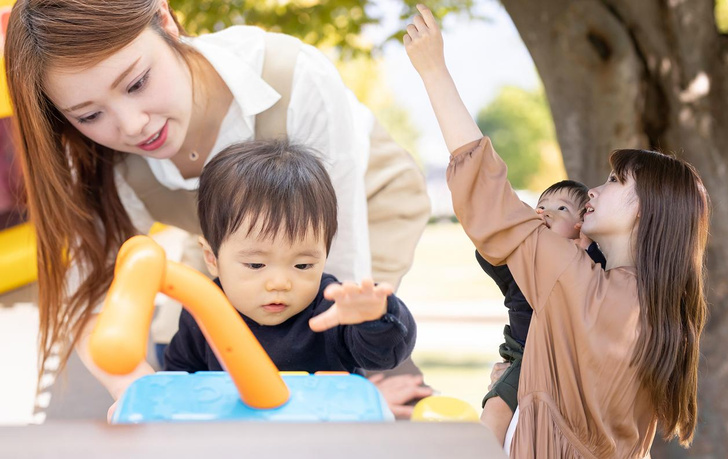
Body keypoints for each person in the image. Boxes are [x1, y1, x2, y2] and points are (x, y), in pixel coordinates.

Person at [4, 0, 430, 414]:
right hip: (229, 234)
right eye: (90, 115)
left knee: (332, 336)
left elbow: (337, 276)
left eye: (136, 84)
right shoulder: (97, 159)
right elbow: (93, 297)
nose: (132, 125)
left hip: (359, 206)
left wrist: (348, 392)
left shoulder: (295, 78)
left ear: (165, 20)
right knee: (183, 342)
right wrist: (145, 398)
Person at [405, 4, 708, 457]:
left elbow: (490, 199)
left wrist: (433, 71)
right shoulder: (667, 319)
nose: (595, 192)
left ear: (644, 213)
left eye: (614, 182)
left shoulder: (577, 280)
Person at [164, 139, 416, 376]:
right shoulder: (204, 311)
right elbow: (178, 381)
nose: (279, 283)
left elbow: (387, 355)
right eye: (256, 264)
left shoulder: (332, 311)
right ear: (212, 258)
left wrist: (375, 318)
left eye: (303, 265)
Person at [478, 179, 607, 446]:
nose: (546, 212)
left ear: (580, 226)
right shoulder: (525, 260)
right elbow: (488, 255)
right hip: (524, 354)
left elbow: (598, 274)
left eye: (562, 208)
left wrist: (586, 246)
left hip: (562, 359)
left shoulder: (588, 261)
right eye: (541, 206)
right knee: (497, 407)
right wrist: (515, 230)